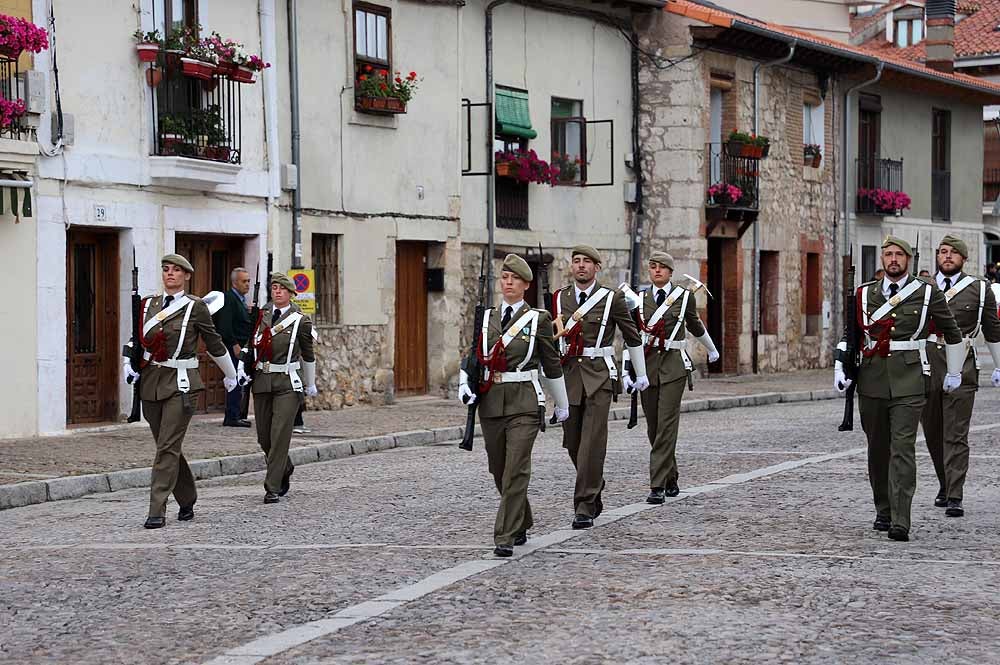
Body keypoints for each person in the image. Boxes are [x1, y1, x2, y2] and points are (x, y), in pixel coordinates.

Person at [834, 236, 963, 542]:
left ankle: (901, 519)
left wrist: (954, 372)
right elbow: (849, 334)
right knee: (878, 449)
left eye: (899, 255)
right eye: (888, 254)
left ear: (909, 259)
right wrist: (840, 367)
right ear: (882, 259)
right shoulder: (864, 294)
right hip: (872, 380)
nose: (893, 259)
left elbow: (952, 333)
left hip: (910, 380)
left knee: (902, 449)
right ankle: (884, 508)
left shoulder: (927, 292)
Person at [459, 254, 570, 557]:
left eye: (514, 279)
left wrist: (562, 404)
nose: (507, 283)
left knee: (516, 469)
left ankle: (504, 535)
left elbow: (551, 364)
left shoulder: (539, 320)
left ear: (525, 285)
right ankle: (522, 518)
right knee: (498, 468)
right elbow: (471, 355)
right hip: (491, 401)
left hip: (525, 401)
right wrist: (464, 387)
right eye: (504, 277)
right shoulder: (486, 316)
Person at [123, 253, 238, 529]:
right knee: (168, 446)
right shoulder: (148, 304)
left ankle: (156, 509)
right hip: (151, 381)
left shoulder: (195, 307)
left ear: (186, 276)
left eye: (176, 270)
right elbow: (136, 337)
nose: (170, 274)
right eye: (165, 269)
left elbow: (214, 342)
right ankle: (187, 497)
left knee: (166, 447)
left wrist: (231, 375)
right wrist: (128, 362)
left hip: (182, 382)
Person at [553, 245, 647, 529]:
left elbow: (632, 337)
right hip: (569, 377)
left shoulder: (610, 299)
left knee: (592, 444)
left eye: (586, 262)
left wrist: (639, 373)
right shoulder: (559, 299)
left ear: (597, 267)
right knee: (572, 442)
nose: (581, 266)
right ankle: (595, 481)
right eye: (576, 261)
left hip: (599, 377)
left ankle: (583, 505)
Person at [624, 251, 720, 504]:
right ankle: (671, 476)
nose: (656, 271)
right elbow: (632, 336)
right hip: (647, 367)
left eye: (661, 268)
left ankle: (656, 485)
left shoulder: (684, 297)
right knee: (654, 427)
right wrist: (627, 368)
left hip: (674, 367)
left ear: (670, 272)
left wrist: (711, 348)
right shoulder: (640, 298)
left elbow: (695, 325)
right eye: (653, 266)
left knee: (666, 425)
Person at [920, 235, 1000, 517]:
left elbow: (992, 329)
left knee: (956, 433)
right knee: (932, 432)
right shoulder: (922, 288)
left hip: (962, 363)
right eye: (943, 252)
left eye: (954, 253)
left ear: (964, 259)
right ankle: (944, 482)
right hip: (928, 363)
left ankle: (955, 493)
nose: (947, 257)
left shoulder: (979, 289)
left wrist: (999, 364)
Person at [238, 273, 317, 504]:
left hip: (287, 382)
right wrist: (243, 366)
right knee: (264, 437)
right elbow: (249, 342)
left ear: (291, 293)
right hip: (263, 379)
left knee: (279, 434)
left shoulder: (301, 320)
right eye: (274, 288)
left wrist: (309, 383)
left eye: (282, 288)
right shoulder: (261, 315)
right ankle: (285, 465)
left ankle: (272, 487)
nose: (277, 292)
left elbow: (308, 354)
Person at [214, 267, 253, 427]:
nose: (247, 284)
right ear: (235, 283)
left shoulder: (241, 300)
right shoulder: (229, 298)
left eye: (249, 281)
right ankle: (232, 416)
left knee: (241, 379)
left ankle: (238, 413)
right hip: (234, 347)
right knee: (234, 380)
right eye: (244, 281)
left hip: (243, 347)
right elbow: (225, 326)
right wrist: (234, 345)